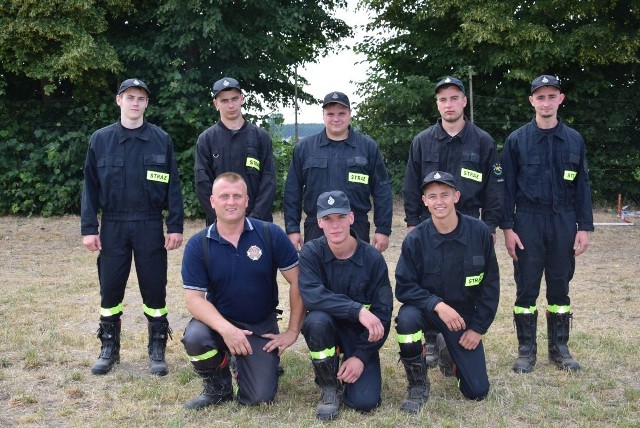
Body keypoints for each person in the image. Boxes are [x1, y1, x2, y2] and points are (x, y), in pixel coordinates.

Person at [81, 78, 184, 376]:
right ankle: (109, 348)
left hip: (150, 223)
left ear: (147, 103)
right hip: (113, 224)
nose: (135, 102)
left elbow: (173, 186)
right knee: (110, 289)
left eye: (140, 98)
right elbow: (89, 186)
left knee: (154, 289)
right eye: (130, 97)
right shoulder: (100, 140)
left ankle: (157, 349)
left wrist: (174, 225)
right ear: (119, 101)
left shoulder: (161, 139)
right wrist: (90, 228)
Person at [180, 172, 304, 409]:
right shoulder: (198, 244)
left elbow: (298, 282)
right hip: (219, 322)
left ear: (247, 201)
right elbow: (194, 300)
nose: (231, 202)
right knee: (195, 338)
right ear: (213, 201)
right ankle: (218, 387)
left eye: (237, 196)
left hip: (260, 326)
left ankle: (248, 362)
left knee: (259, 397)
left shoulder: (270, 234)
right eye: (224, 196)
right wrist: (227, 330)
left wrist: (292, 330)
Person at [402, 76, 503, 367]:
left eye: (454, 98)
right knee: (430, 279)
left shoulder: (482, 141)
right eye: (443, 99)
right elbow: (411, 186)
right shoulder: (422, 142)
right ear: (437, 104)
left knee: (464, 283)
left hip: (470, 225)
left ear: (464, 101)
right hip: (428, 226)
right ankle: (432, 339)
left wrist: (491, 226)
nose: (449, 104)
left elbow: (494, 189)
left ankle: (457, 336)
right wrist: (412, 224)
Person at [500, 75, 594, 374]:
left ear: (560, 99)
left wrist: (583, 227)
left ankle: (559, 348)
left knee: (560, 287)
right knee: (526, 289)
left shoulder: (574, 140)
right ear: (532, 101)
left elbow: (583, 186)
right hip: (527, 220)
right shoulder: (517, 140)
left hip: (564, 220)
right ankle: (526, 351)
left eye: (551, 96)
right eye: (540, 97)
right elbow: (506, 189)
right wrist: (508, 228)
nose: (545, 102)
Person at [395, 171, 500, 413]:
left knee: (476, 392)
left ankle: (446, 351)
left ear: (457, 196)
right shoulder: (416, 239)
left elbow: (490, 285)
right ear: (424, 201)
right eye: (432, 196)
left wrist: (478, 329)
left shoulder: (479, 232)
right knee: (406, 319)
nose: (439, 201)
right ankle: (417, 383)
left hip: (461, 317)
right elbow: (404, 287)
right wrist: (437, 305)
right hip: (427, 309)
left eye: (445, 194)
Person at [298, 191, 393, 420]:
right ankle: (329, 385)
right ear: (319, 222)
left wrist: (360, 356)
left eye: (340, 217)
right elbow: (312, 296)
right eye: (328, 219)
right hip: (326, 329)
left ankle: (349, 364)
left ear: (351, 217)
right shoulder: (311, 253)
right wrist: (358, 310)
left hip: (359, 336)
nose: (335, 225)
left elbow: (383, 314)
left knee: (365, 402)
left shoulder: (373, 259)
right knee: (316, 320)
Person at [284, 91, 393, 252]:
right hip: (317, 226)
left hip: (356, 226)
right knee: (316, 275)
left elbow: (381, 189)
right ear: (323, 115)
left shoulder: (367, 147)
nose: (336, 119)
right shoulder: (304, 148)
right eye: (330, 114)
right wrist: (292, 229)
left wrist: (383, 229)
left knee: (356, 275)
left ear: (350, 114)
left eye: (342, 113)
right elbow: (293, 191)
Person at [195, 77, 276, 225]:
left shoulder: (260, 137)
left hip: (258, 221)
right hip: (219, 222)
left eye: (234, 99)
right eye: (224, 101)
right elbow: (203, 184)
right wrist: (220, 218)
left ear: (242, 99)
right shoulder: (206, 139)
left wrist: (254, 220)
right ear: (215, 104)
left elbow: (268, 181)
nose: (231, 105)